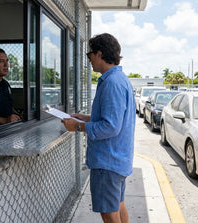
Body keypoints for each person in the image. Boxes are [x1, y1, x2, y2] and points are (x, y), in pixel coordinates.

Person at [62, 33, 135, 223]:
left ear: (100, 54)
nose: (89, 60)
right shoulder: (119, 79)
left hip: (107, 162)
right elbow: (113, 119)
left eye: (90, 55)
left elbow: (110, 127)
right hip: (117, 160)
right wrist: (85, 118)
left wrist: (78, 127)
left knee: (109, 213)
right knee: (118, 205)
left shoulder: (111, 83)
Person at [0, 48, 20, 126]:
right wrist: (4, 120)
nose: (6, 65)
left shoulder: (6, 84)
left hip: (7, 128)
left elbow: (9, 106)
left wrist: (18, 116)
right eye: (1, 61)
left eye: (7, 61)